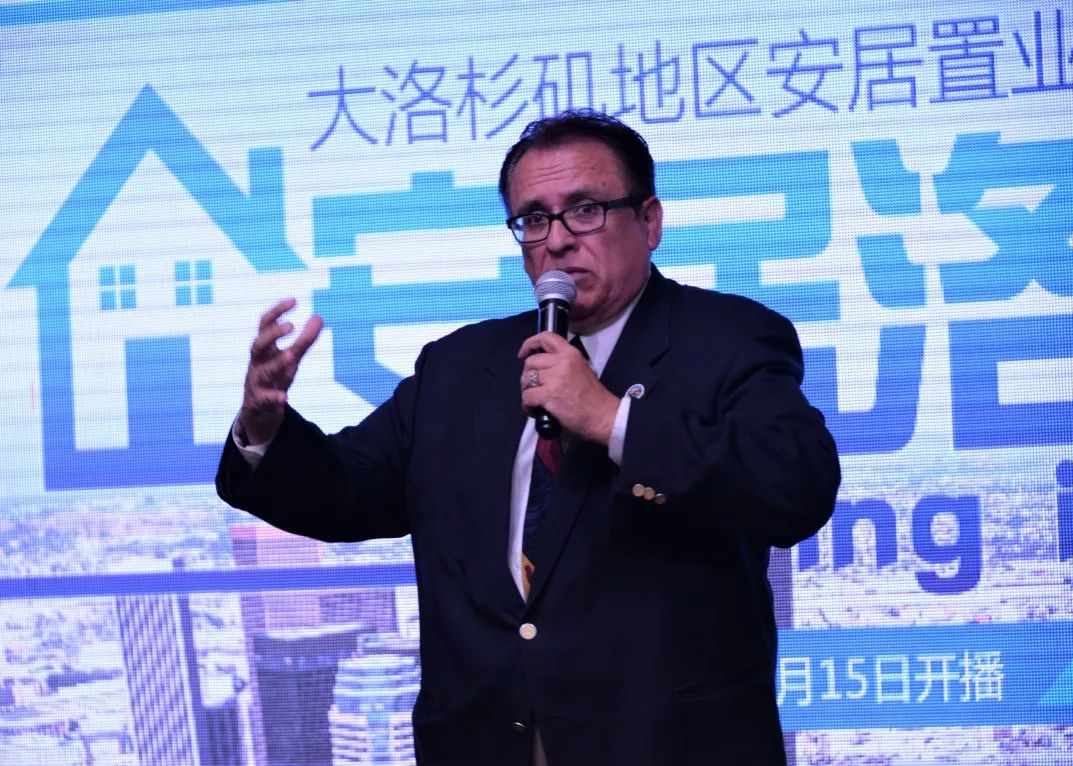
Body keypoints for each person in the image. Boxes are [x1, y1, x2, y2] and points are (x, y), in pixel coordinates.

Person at [217, 110, 840, 766]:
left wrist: (609, 419)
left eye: (586, 210)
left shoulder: (728, 339)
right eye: (534, 219)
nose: (559, 240)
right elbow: (346, 492)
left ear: (650, 221)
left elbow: (795, 487)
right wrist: (264, 424)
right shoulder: (460, 367)